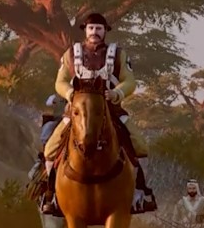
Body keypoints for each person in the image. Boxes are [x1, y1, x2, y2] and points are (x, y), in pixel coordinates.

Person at [43, 12, 157, 214]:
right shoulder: (71, 54)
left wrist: (116, 93)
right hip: (77, 113)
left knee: (140, 145)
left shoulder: (118, 54)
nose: (94, 32)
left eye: (99, 28)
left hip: (111, 110)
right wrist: (70, 93)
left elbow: (129, 81)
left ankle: (139, 193)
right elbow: (60, 81)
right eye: (91, 28)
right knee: (50, 149)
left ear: (105, 31)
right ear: (85, 31)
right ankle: (52, 195)